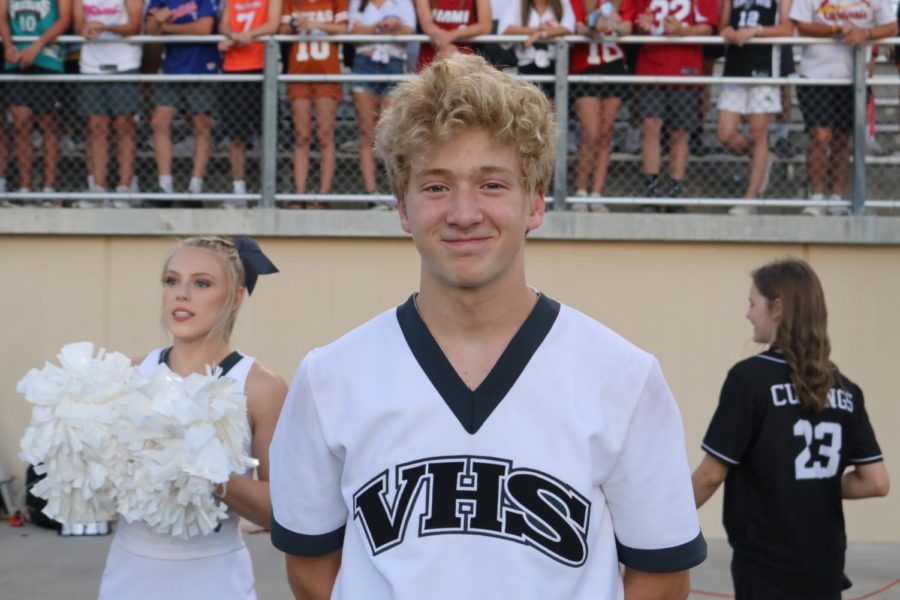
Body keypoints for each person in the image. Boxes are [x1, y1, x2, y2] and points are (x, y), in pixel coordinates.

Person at [269, 54, 706, 600]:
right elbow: (312, 572)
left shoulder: (625, 377)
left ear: (536, 202)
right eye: (435, 187)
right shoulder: (328, 378)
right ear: (402, 208)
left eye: (493, 184)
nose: (464, 212)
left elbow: (661, 579)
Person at [97, 236, 287, 599]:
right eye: (172, 281)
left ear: (235, 297)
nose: (181, 294)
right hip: (128, 576)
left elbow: (281, 512)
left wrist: (209, 473)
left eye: (201, 283)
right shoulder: (127, 373)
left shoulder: (260, 386)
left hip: (214, 578)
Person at [692, 258, 890, 599]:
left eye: (753, 304)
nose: (748, 314)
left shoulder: (749, 379)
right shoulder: (845, 389)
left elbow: (711, 475)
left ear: (778, 308)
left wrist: (659, 523)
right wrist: (814, 483)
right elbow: (876, 482)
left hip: (767, 569)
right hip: (825, 567)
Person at [790, 0, 896, 216]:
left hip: (853, 77)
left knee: (841, 139)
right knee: (820, 135)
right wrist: (837, 29)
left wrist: (865, 33)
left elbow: (892, 26)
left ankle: (836, 198)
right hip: (815, 74)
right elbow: (802, 25)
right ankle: (816, 197)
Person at [620, 0, 717, 211]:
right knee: (650, 126)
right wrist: (642, 28)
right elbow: (634, 22)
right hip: (651, 65)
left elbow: (707, 27)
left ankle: (674, 190)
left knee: (680, 132)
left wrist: (683, 30)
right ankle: (652, 189)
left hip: (685, 67)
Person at [716, 0, 794, 215]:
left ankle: (750, 198)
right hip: (735, 66)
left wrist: (756, 31)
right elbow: (722, 24)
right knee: (725, 133)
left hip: (764, 67)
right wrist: (727, 31)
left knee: (758, 131)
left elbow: (788, 29)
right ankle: (762, 158)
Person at [146, 0, 221, 200]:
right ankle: (165, 185)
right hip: (173, 66)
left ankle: (195, 186)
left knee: (201, 125)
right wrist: (157, 23)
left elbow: (204, 28)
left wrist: (167, 27)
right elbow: (151, 32)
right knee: (159, 121)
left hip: (202, 65)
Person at [73, 0, 142, 208]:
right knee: (96, 126)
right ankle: (98, 188)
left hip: (125, 62)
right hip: (91, 65)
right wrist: (85, 29)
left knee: (124, 125)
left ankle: (125, 187)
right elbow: (77, 25)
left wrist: (105, 28)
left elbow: (134, 25)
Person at [279, 0, 348, 208]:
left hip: (327, 73)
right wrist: (294, 25)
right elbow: (281, 29)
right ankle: (299, 194)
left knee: (325, 134)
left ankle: (323, 195)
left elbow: (344, 29)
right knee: (302, 135)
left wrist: (315, 25)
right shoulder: (290, 2)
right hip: (299, 71)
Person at [0, 0, 70, 206]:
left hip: (48, 57)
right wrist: (9, 45)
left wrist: (38, 44)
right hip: (16, 59)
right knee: (21, 120)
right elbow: (2, 17)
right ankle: (25, 188)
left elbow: (65, 19)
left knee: (47, 121)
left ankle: (49, 187)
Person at [348, 0, 415, 205]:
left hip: (393, 65)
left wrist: (393, 26)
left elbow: (409, 32)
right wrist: (382, 26)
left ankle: (392, 193)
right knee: (367, 133)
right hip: (363, 65)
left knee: (391, 135)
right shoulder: (357, 3)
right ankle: (371, 194)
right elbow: (353, 35)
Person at [218, 0, 282, 202]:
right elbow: (223, 25)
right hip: (233, 70)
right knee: (235, 134)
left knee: (267, 134)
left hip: (262, 69)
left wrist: (249, 35)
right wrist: (234, 36)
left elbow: (273, 24)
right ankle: (239, 190)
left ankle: (269, 189)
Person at [569, 0, 627, 211]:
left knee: (605, 133)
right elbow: (576, 26)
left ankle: (597, 193)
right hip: (585, 67)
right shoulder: (577, 2)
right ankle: (581, 190)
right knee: (590, 133)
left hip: (614, 66)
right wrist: (591, 27)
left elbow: (628, 26)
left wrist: (615, 24)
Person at [499, 0, 575, 100]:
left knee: (553, 110)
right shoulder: (518, 3)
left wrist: (541, 35)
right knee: (530, 108)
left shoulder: (562, 3)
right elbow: (505, 30)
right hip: (527, 67)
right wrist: (536, 30)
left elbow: (568, 28)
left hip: (555, 67)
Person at [413, 0, 491, 70]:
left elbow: (485, 26)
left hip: (464, 61)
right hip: (431, 61)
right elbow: (427, 24)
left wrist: (449, 37)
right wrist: (445, 44)